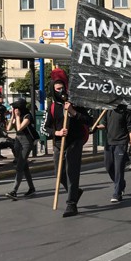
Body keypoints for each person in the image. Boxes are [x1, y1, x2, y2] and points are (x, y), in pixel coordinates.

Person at [44, 68, 93, 218]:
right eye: (57, 89)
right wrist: (56, 133)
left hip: (75, 142)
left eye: (62, 88)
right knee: (59, 174)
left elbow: (89, 120)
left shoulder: (76, 102)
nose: (60, 91)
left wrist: (73, 112)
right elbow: (44, 128)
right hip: (59, 143)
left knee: (71, 172)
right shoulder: (52, 106)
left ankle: (71, 203)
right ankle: (75, 191)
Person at [99, 105, 131, 202]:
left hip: (121, 143)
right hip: (109, 143)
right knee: (108, 166)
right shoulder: (107, 110)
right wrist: (95, 127)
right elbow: (104, 124)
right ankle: (121, 184)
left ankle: (117, 193)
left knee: (119, 169)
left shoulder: (126, 112)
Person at [4, 99, 37, 200]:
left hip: (27, 142)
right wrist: (13, 117)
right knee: (24, 166)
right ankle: (31, 188)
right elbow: (8, 128)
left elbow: (19, 128)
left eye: (15, 108)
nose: (13, 109)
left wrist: (18, 117)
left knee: (19, 166)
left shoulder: (28, 116)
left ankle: (14, 191)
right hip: (18, 140)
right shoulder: (16, 115)